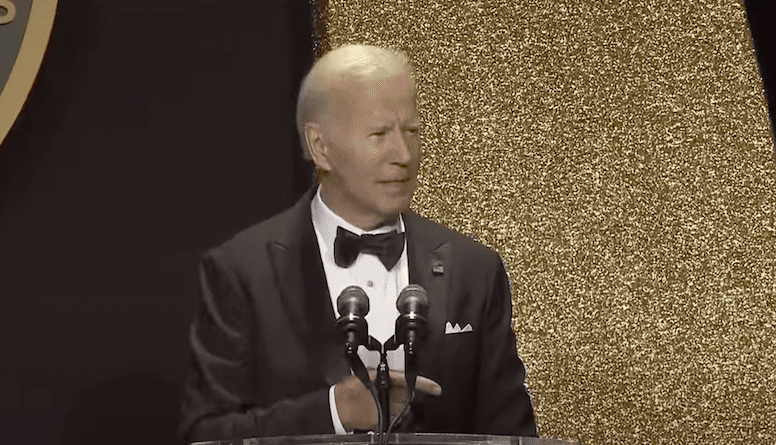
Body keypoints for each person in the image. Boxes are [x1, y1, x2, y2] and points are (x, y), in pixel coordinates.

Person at [178, 44, 537, 442]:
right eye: (379, 134)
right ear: (321, 148)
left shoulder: (474, 270)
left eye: (412, 131)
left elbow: (511, 433)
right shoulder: (242, 271)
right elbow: (204, 434)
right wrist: (335, 410)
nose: (403, 154)